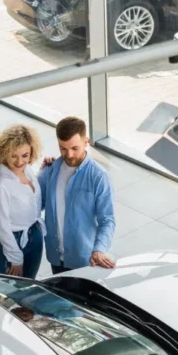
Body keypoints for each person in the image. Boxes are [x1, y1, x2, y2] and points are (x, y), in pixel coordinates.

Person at [39, 116, 116, 274]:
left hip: (85, 259)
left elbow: (107, 220)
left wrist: (99, 249)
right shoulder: (50, 170)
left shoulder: (99, 176)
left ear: (86, 142)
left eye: (75, 148)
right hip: (55, 257)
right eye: (63, 148)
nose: (69, 154)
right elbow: (35, 204)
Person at [0, 124, 45, 278]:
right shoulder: (1, 183)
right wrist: (15, 258)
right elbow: (2, 224)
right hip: (13, 241)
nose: (20, 161)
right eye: (14, 156)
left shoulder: (27, 170)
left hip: (34, 233)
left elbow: (29, 197)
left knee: (30, 284)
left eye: (25, 155)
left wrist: (44, 170)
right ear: (4, 153)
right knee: (9, 289)